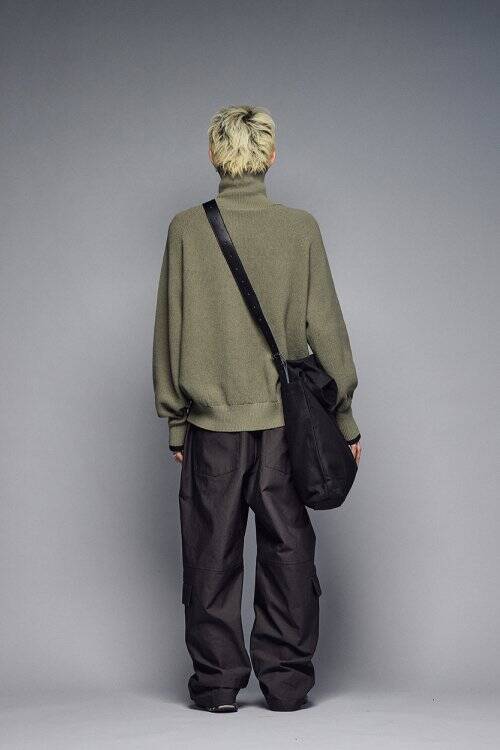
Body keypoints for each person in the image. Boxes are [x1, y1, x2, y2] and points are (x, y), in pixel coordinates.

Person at [152, 105, 361, 713]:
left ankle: (218, 685)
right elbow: (328, 331)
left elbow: (169, 329)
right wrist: (344, 418)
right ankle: (287, 684)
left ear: (213, 156)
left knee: (210, 555)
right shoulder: (300, 228)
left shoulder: (186, 229)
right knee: (287, 550)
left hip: (210, 428)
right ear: (271, 156)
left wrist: (176, 423)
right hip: (282, 429)